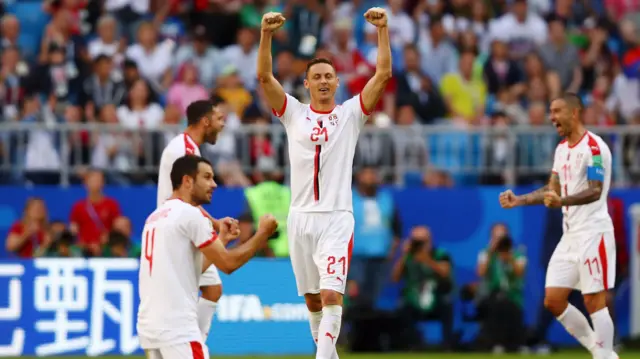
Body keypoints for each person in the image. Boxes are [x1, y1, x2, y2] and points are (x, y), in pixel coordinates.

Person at [256, 7, 392, 359]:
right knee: (313, 300)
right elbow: (264, 78)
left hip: (336, 217)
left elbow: (383, 74)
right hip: (300, 218)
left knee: (332, 296)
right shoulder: (292, 113)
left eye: (329, 76)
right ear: (306, 84)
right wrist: (266, 35)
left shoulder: (350, 114)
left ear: (337, 81)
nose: (323, 81)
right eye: (316, 76)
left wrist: (382, 30)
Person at [499, 93, 618, 359]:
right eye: (550, 112)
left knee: (594, 302)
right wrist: (520, 200)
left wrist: (561, 200)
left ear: (574, 113)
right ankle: (603, 353)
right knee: (553, 300)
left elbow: (595, 191)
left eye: (556, 111)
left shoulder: (595, 149)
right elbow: (551, 189)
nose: (551, 118)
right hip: (570, 236)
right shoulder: (562, 149)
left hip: (593, 233)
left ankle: (604, 355)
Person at [138, 155, 278, 359]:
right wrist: (262, 234)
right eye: (207, 177)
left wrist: (221, 239)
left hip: (151, 328)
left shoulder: (155, 217)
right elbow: (228, 264)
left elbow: (189, 270)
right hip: (178, 330)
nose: (214, 184)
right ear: (187, 181)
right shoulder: (190, 215)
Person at [156, 98, 239, 347]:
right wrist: (215, 226)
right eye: (218, 118)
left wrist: (214, 223)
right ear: (205, 121)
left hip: (178, 224)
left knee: (211, 288)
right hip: (177, 229)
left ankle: (194, 345)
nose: (222, 124)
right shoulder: (185, 151)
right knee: (192, 291)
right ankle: (191, 346)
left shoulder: (187, 147)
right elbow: (186, 197)